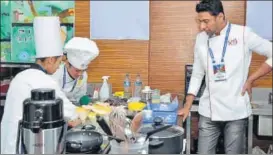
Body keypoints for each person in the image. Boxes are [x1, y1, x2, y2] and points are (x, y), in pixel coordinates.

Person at [177, 0, 272, 154]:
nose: (202, 26)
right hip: (208, 111)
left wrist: (251, 79)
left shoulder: (243, 34)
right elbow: (197, 73)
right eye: (199, 21)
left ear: (220, 16)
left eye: (206, 21)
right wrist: (188, 103)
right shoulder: (201, 38)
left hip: (236, 111)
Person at [0, 16, 79, 154]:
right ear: (50, 60)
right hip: (24, 146)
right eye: (59, 62)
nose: (59, 66)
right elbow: (72, 114)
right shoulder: (44, 81)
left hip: (7, 144)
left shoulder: (21, 76)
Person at [51, 37, 99, 106]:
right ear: (67, 64)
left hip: (72, 106)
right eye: (77, 70)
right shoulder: (56, 73)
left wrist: (89, 103)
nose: (80, 74)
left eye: (83, 70)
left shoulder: (83, 75)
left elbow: (80, 96)